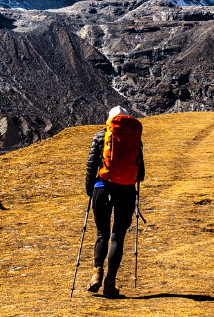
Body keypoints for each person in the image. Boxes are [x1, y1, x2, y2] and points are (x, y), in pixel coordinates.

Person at [85, 106, 145, 298]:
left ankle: (96, 274)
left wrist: (90, 191)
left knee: (102, 233)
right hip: (126, 192)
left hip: (102, 188)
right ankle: (110, 283)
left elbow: (91, 166)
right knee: (117, 236)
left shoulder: (100, 137)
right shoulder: (135, 139)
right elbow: (141, 174)